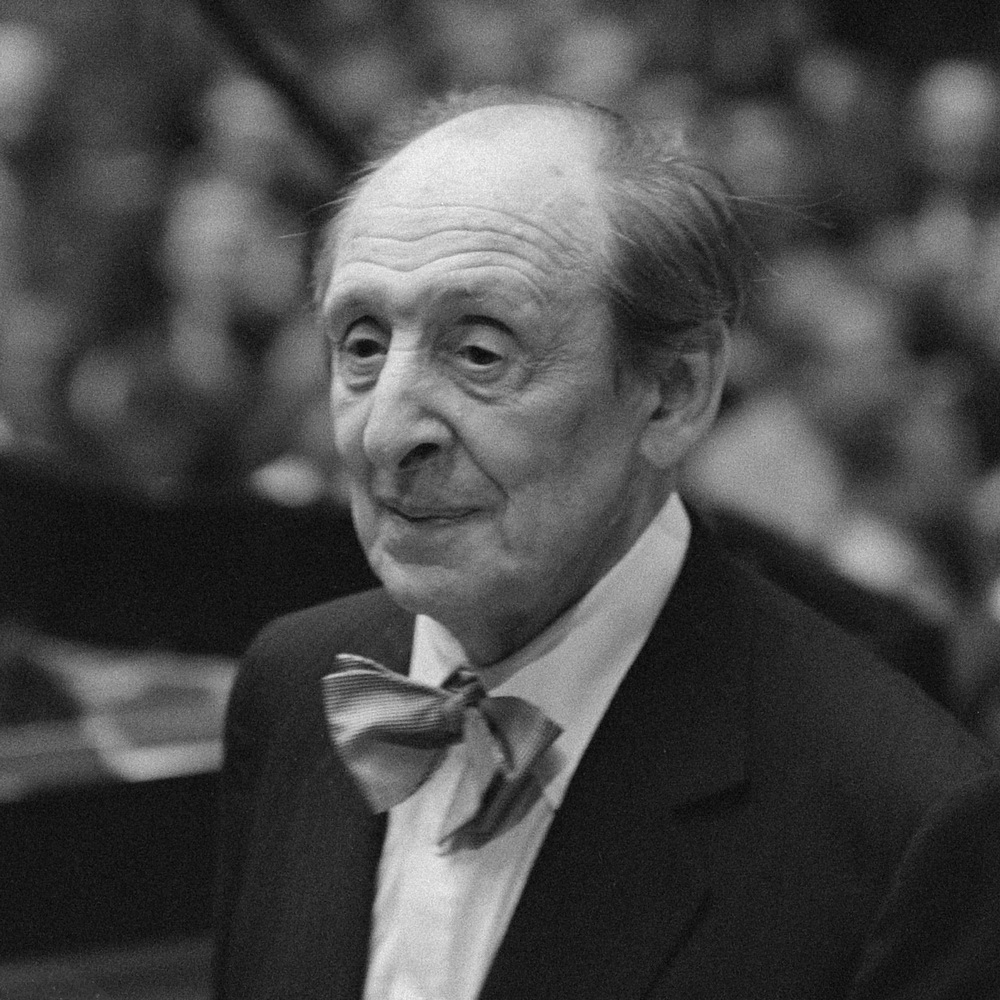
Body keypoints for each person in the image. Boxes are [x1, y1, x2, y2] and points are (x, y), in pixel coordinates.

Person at [214, 88, 1000, 999]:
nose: (385, 432)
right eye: (361, 345)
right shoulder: (292, 683)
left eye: (479, 353)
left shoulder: (904, 821)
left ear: (673, 392)